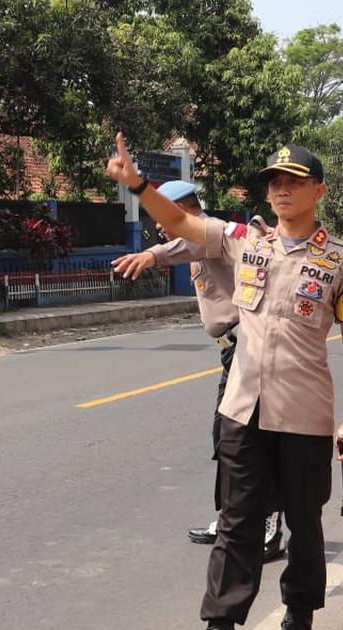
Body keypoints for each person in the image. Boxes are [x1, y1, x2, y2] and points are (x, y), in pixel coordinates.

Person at [106, 136, 343, 630]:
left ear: (317, 191)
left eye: (293, 181)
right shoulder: (242, 240)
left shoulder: (341, 261)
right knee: (236, 523)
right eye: (275, 180)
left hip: (305, 413)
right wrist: (136, 185)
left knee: (304, 522)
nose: (280, 189)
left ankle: (298, 620)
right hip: (243, 408)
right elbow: (180, 224)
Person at [110, 181, 283, 564]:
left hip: (250, 351)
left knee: (246, 438)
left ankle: (269, 525)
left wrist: (152, 255)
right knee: (227, 439)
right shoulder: (200, 241)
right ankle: (232, 520)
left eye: (163, 217)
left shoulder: (212, 232)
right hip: (233, 353)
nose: (159, 227)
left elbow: (188, 241)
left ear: (185, 210)